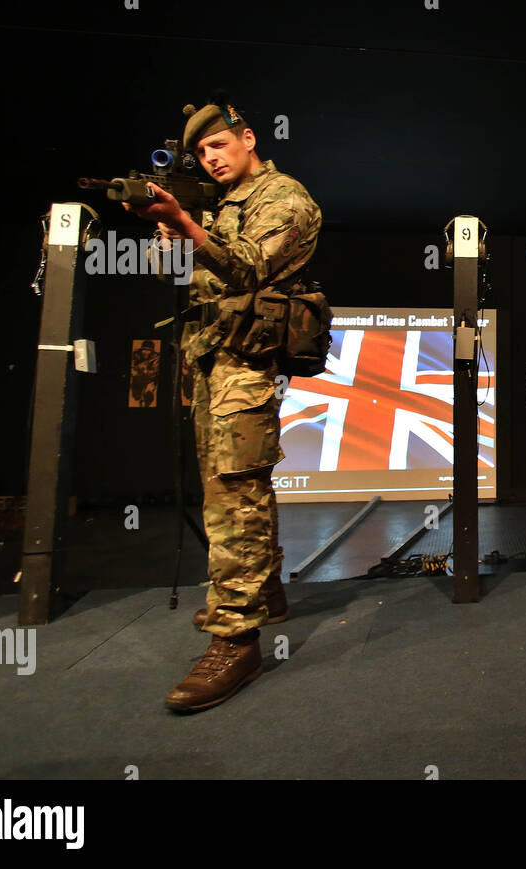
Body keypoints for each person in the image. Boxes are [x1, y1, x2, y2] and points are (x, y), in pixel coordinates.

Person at [126, 98, 321, 709]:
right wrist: (169, 236)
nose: (210, 158)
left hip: (247, 363)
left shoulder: (284, 198)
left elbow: (250, 269)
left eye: (218, 145)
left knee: (235, 493)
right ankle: (264, 593)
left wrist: (186, 224)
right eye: (201, 152)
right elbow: (178, 279)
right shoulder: (216, 208)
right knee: (232, 486)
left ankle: (236, 638)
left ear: (248, 137)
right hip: (210, 359)